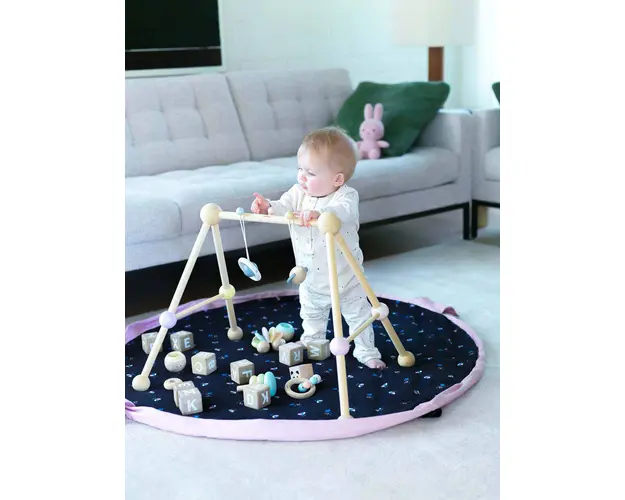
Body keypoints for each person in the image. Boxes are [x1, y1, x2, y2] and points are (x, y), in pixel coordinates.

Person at [251, 127, 386, 369]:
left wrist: (320, 213)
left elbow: (341, 213)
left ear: (337, 179)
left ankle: (367, 352)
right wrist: (267, 207)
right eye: (300, 169)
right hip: (310, 276)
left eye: (310, 172)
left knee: (359, 316)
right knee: (311, 315)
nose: (302, 177)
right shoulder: (297, 193)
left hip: (346, 278)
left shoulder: (346, 196)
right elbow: (282, 206)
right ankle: (313, 344)